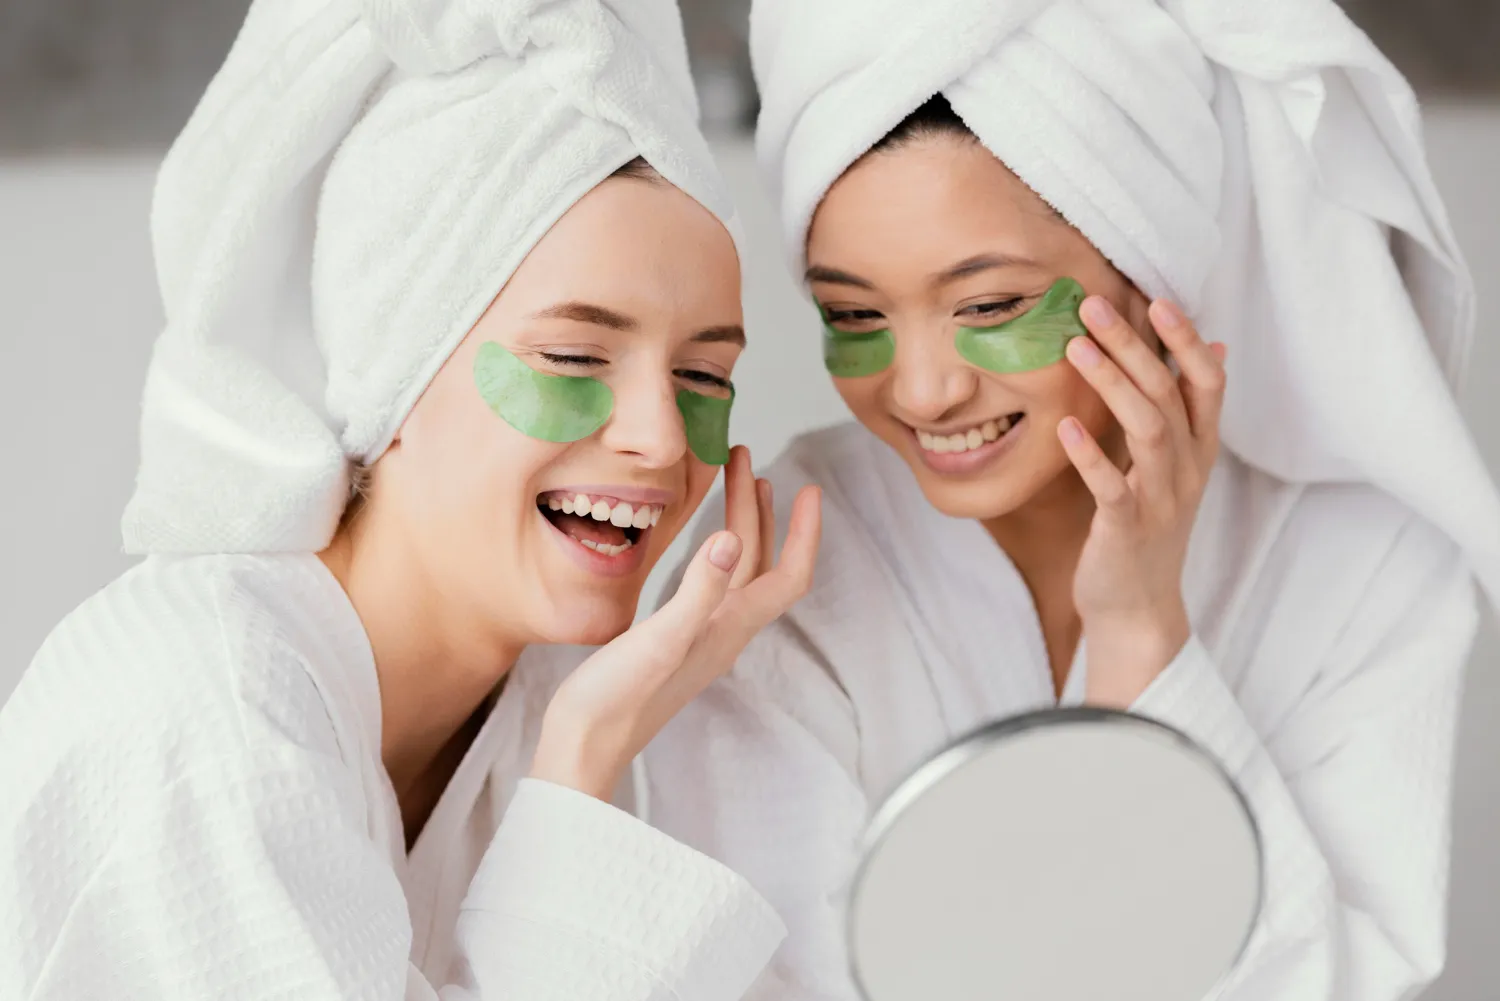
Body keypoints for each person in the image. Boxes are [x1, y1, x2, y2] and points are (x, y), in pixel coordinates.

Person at [643, 1, 1500, 998]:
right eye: (854, 314)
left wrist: (1142, 636)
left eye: (991, 305)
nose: (923, 389)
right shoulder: (775, 562)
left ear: (1151, 273)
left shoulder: (1368, 562)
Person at [0, 0, 822, 998]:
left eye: (703, 377)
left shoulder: (531, 704)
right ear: (392, 377)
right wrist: (581, 762)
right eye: (573, 357)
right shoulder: (208, 716)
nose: (659, 435)